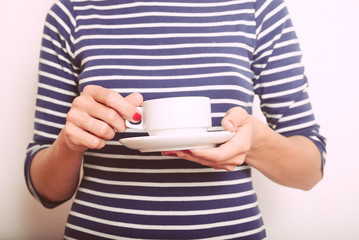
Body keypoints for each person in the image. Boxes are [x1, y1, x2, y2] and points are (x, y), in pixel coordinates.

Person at [25, 0, 326, 239]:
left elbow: (309, 170)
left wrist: (255, 143)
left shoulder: (257, 9)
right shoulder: (70, 14)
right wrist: (68, 142)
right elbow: (45, 191)